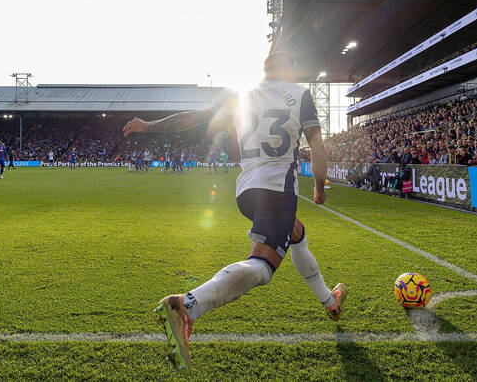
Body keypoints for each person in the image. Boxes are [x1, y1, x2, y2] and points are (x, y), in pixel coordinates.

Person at [122, 52, 345, 374]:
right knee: (263, 267)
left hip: (246, 191)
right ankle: (187, 305)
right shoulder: (300, 94)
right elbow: (318, 145)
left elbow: (193, 118)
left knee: (296, 232)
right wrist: (320, 187)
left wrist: (148, 125)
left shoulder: (242, 95)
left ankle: (329, 302)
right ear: (290, 70)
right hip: (276, 189)